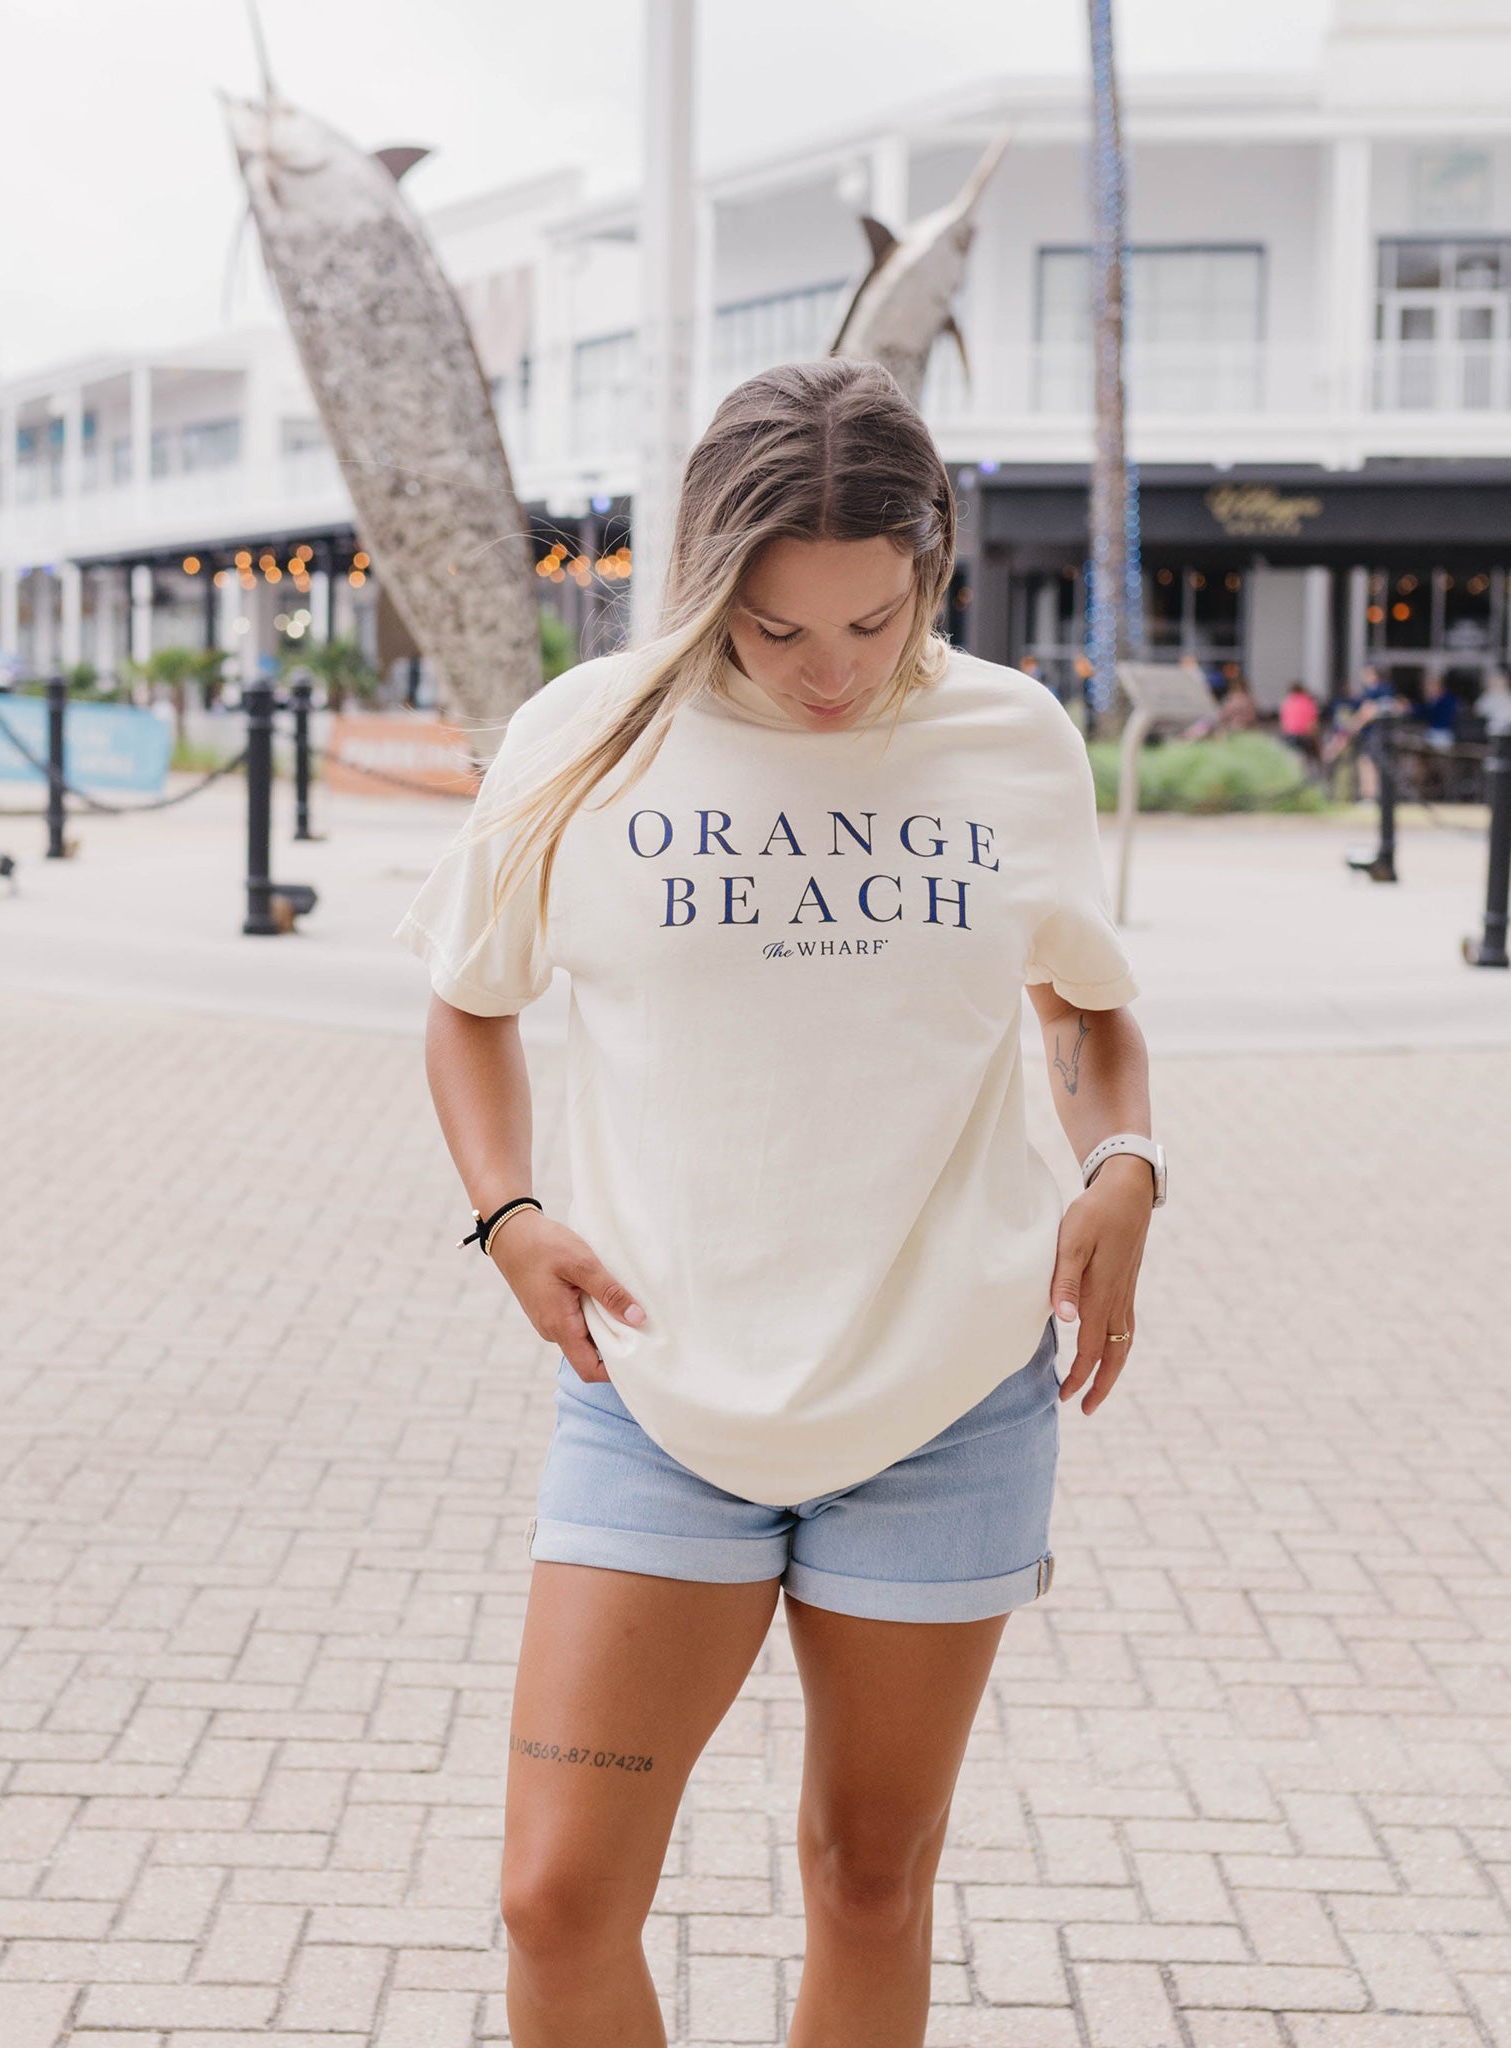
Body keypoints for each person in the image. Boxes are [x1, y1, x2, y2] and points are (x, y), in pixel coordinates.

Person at [398, 359, 1160, 2048]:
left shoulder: (1008, 736)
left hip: (946, 1401)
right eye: (773, 631)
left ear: (930, 572)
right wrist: (506, 1213)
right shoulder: (584, 739)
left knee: (870, 1875)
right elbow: (467, 996)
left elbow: (1086, 1004)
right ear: (701, 587)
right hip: (655, 1396)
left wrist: (1125, 1162)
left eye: (870, 625)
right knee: (553, 1897)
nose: (828, 674)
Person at [1278, 680, 1321, 761]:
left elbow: (1283, 722)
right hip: (1304, 737)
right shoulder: (1308, 701)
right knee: (1314, 756)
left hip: (1289, 736)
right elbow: (1313, 724)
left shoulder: (1286, 702)